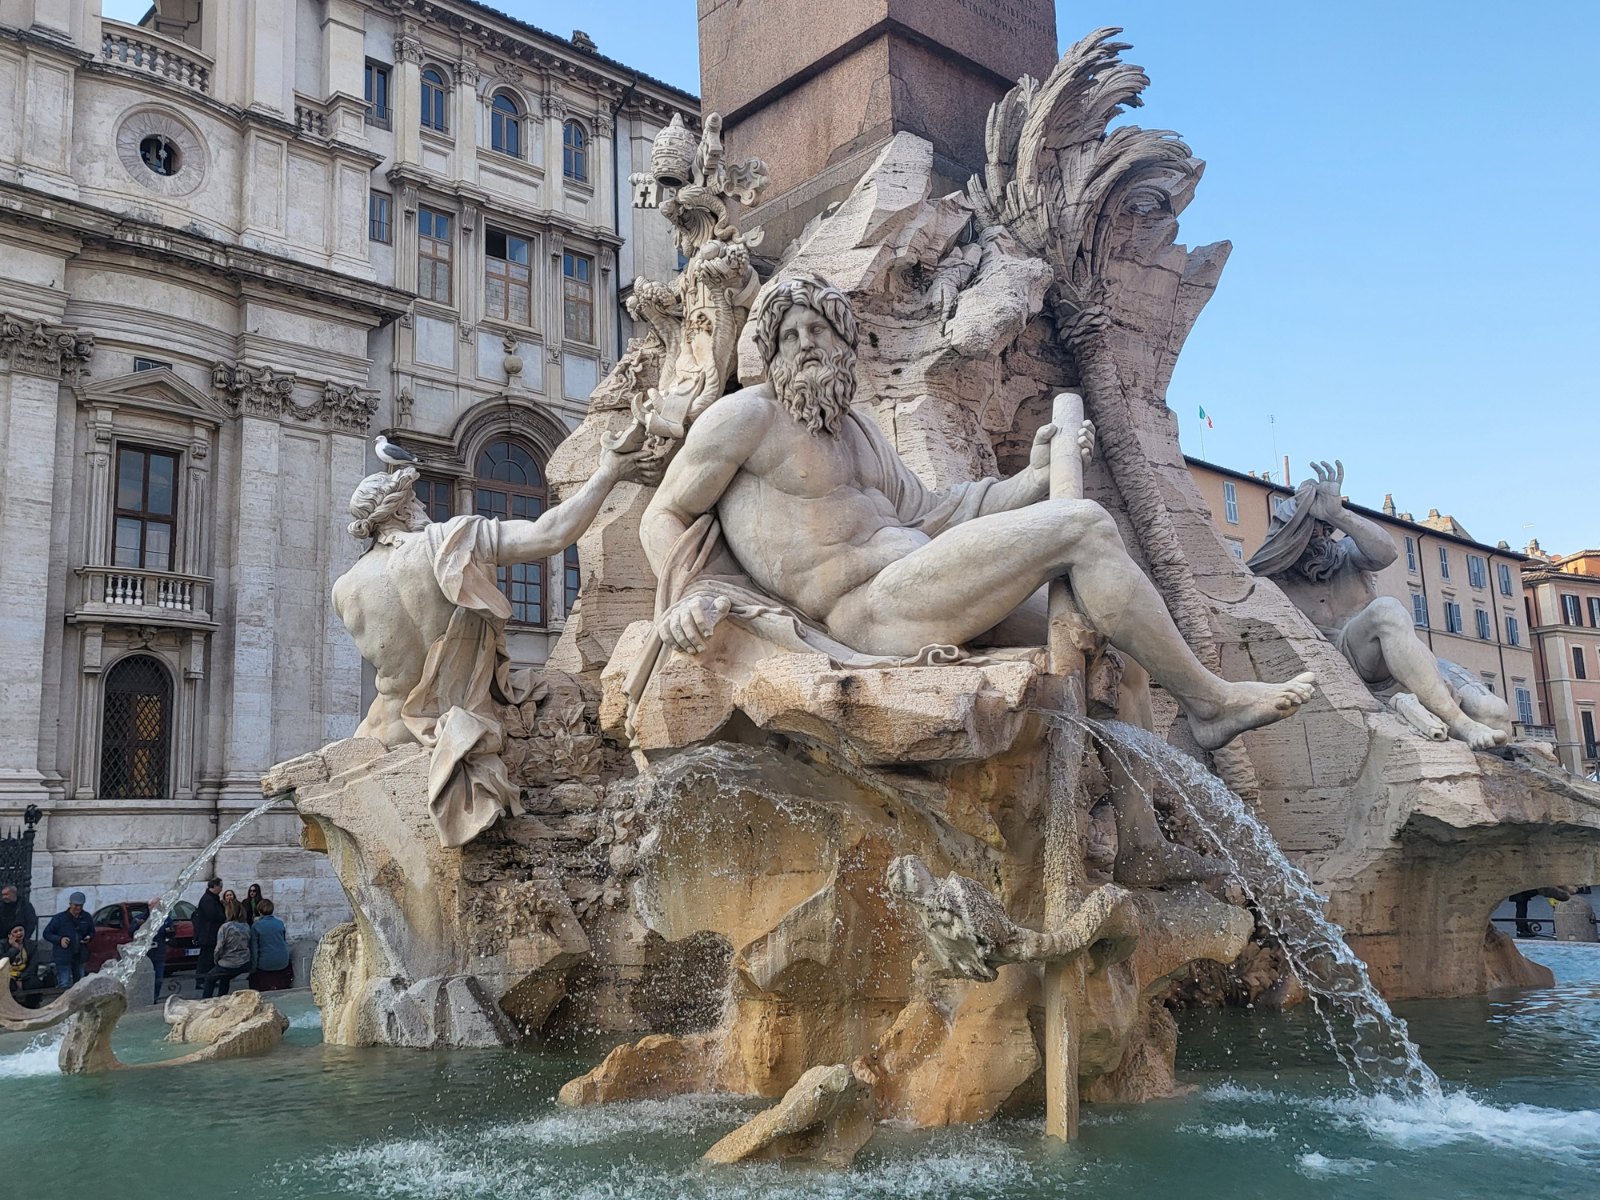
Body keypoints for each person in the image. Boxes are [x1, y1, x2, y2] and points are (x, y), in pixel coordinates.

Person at [639, 272, 1317, 753]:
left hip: (924, 582)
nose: (806, 343)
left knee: (1116, 650)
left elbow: (941, 513)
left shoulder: (861, 434)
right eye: (789, 335)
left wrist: (1036, 477)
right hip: (865, 613)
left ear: (846, 344)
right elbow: (663, 512)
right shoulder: (746, 419)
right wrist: (686, 594)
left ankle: (1141, 831)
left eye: (819, 328)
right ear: (771, 353)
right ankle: (1208, 702)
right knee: (1083, 527)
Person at [331, 430, 646, 847]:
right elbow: (551, 534)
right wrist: (609, 471)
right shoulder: (447, 542)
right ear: (403, 509)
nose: (424, 508)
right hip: (459, 728)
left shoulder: (345, 588)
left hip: (384, 736)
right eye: (417, 502)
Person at [1246, 461, 1511, 749]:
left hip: (1404, 657)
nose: (1321, 537)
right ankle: (1460, 724)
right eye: (1311, 531)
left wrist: (1338, 513)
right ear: (1290, 538)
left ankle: (1462, 725)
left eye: (1324, 529)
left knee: (1496, 714)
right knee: (1386, 610)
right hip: (1351, 662)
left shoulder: (1346, 553)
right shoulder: (1274, 581)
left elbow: (1387, 553)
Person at [200, 899, 252, 998]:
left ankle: (206, 1000)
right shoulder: (246, 926)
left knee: (209, 978)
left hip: (229, 963)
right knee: (225, 977)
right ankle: (222, 996)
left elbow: (219, 948)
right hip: (244, 962)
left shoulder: (225, 927)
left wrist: (216, 960)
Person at [42, 892, 94, 989]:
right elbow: (47, 933)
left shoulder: (87, 917)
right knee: (64, 983)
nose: (78, 908)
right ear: (70, 904)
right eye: (76, 905)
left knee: (80, 983)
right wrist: (60, 940)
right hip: (63, 955)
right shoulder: (59, 918)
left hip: (80, 955)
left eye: (81, 905)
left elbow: (92, 931)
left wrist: (89, 937)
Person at [134, 900, 177, 1004]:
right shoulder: (141, 917)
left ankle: (154, 998)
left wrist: (170, 931)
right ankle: (144, 999)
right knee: (144, 977)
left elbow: (172, 932)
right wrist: (140, 926)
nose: (156, 907)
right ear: (149, 906)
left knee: (158, 978)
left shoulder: (165, 918)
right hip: (144, 953)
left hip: (159, 952)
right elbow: (132, 932)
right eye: (154, 905)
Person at [247, 899, 292, 991]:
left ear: (259, 911)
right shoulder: (280, 923)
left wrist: (253, 967)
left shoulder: (256, 926)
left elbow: (254, 949)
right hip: (282, 961)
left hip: (265, 963)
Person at [192, 878, 225, 977]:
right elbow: (213, 915)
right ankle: (201, 979)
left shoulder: (212, 898)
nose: (221, 889)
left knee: (210, 959)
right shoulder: (208, 899)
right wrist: (224, 916)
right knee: (205, 959)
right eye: (220, 886)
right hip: (208, 935)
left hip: (210, 934)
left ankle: (208, 979)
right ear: (214, 886)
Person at [4, 925, 26, 995]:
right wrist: (14, 949)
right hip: (7, 975)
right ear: (9, 935)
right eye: (15, 931)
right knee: (10, 986)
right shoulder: (2, 944)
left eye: (21, 930)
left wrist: (20, 978)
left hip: (23, 974)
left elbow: (33, 965)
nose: (19, 933)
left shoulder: (31, 945)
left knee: (34, 984)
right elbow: (3, 961)